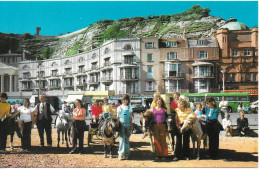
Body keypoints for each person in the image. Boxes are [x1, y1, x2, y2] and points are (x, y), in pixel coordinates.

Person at [117, 94, 133, 160]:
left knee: (126, 139)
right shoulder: (119, 108)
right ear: (122, 100)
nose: (125, 101)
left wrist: (131, 125)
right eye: (124, 100)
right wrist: (117, 125)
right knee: (121, 139)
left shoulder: (130, 108)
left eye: (126, 100)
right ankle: (121, 154)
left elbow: (130, 117)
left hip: (128, 125)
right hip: (121, 125)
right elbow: (117, 117)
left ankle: (126, 153)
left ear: (128, 101)